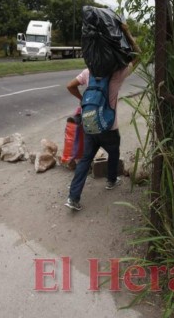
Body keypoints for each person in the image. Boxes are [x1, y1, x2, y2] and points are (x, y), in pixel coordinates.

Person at [65, 23, 141, 211]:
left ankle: (73, 198)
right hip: (108, 126)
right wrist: (127, 32)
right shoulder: (116, 75)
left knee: (85, 160)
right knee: (114, 151)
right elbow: (139, 55)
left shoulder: (88, 73)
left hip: (89, 123)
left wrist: (83, 101)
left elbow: (70, 86)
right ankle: (111, 180)